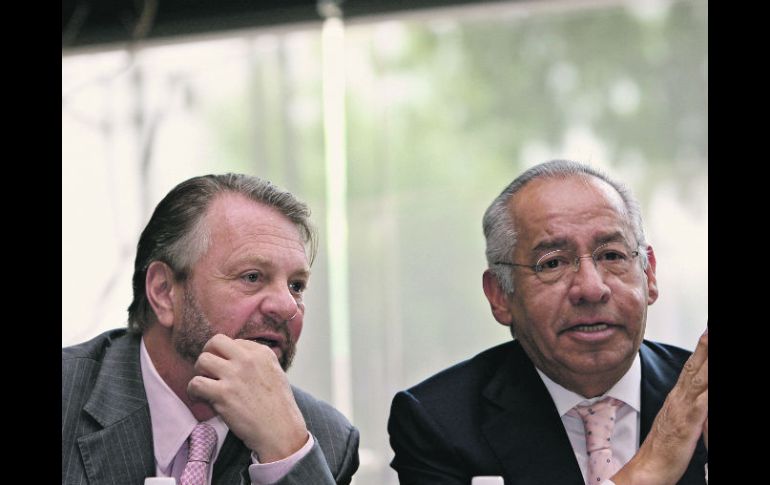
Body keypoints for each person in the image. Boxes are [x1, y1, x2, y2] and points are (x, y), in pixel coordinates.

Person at [388, 160, 707, 485]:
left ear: (649, 274)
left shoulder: (701, 398)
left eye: (612, 256)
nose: (592, 288)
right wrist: (649, 469)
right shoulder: (439, 423)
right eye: (552, 263)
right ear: (500, 295)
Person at [62, 174, 360, 485]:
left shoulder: (323, 441)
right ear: (164, 292)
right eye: (253, 277)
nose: (287, 307)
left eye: (296, 285)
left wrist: (285, 456)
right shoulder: (68, 394)